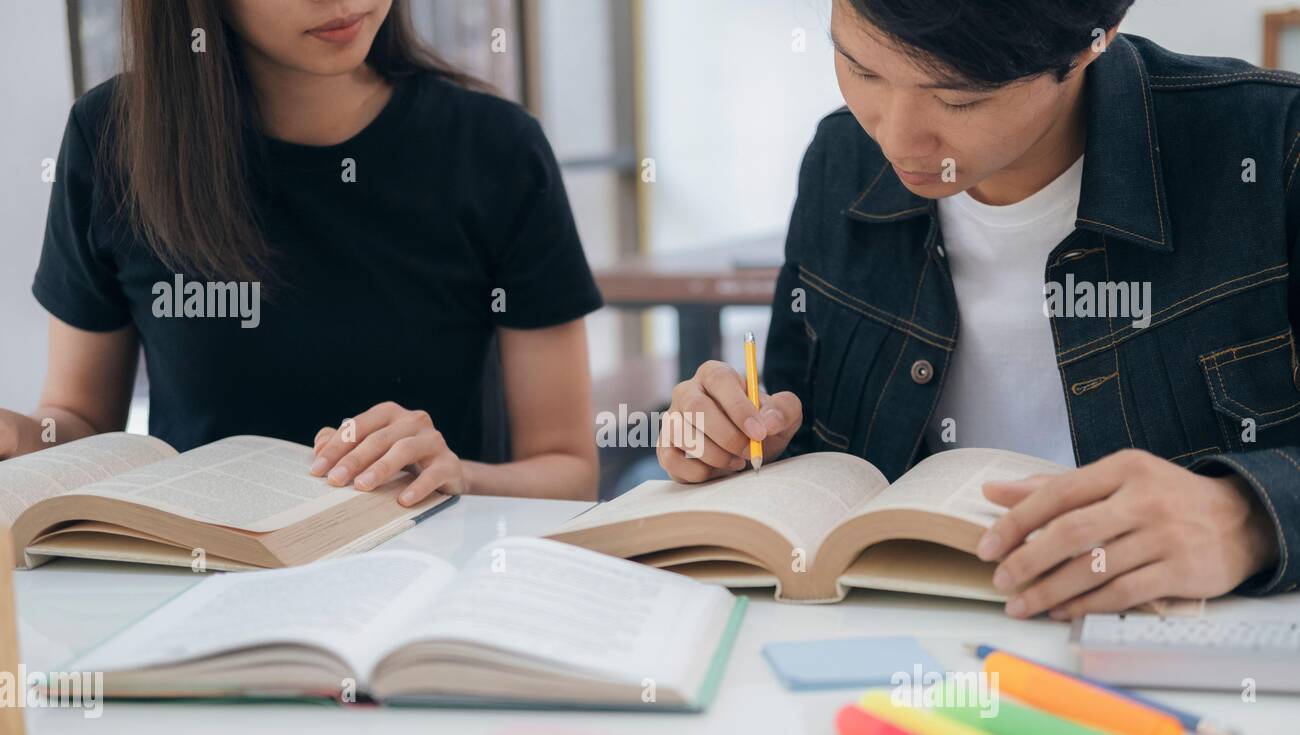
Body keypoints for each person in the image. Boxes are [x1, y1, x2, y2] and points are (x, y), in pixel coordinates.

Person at [659, 0, 1300, 619]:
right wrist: (727, 439)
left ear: (1092, 42)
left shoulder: (1272, 149)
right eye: (861, 69)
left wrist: (1245, 519)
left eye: (958, 97)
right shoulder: (839, 160)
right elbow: (788, 428)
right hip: (888, 646)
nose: (898, 137)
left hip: (1159, 662)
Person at [1, 0, 601, 503]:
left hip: (429, 592)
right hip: (196, 590)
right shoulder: (112, 140)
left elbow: (568, 470)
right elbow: (79, 424)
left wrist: (460, 477)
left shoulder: (496, 149)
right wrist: (19, 439)